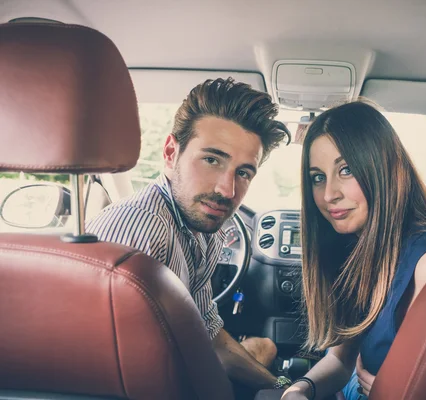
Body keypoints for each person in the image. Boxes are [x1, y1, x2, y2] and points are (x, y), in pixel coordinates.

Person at [87, 77, 293, 393]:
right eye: (211, 160)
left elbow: (209, 336)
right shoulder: (143, 229)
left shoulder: (203, 229)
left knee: (266, 347)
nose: (228, 190)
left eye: (243, 172)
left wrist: (286, 386)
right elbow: (110, 372)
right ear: (171, 152)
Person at [281, 101, 426, 400]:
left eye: (346, 170)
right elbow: (341, 361)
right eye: (318, 177)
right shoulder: (357, 250)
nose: (329, 194)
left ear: (383, 169)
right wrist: (300, 389)